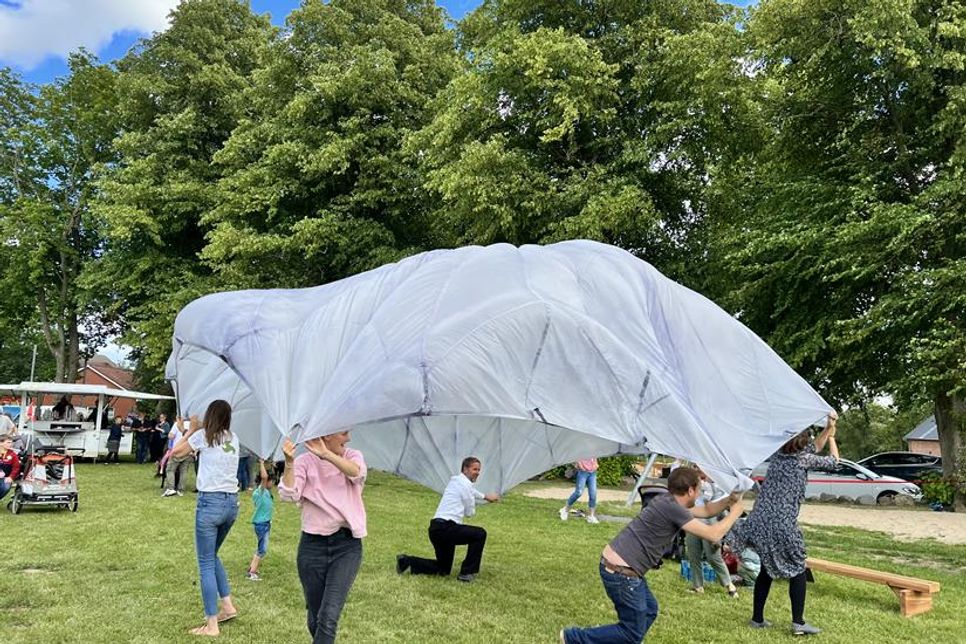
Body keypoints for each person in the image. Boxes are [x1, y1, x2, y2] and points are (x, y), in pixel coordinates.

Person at [560, 466, 744, 644]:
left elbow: (706, 511)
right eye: (699, 486)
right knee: (631, 632)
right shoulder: (674, 509)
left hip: (620, 567)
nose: (701, 490)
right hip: (621, 573)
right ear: (689, 491)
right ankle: (573, 638)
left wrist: (729, 501)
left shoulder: (668, 501)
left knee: (649, 610)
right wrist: (736, 512)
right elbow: (713, 534)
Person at [727, 412, 839, 636]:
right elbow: (834, 462)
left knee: (768, 566)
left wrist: (828, 428)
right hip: (781, 523)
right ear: (803, 442)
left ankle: (757, 619)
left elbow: (815, 447)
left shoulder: (779, 454)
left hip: (759, 519)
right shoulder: (802, 458)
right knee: (798, 567)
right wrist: (833, 437)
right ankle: (799, 623)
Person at [279, 431, 367, 644]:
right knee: (316, 617)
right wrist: (289, 463)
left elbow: (357, 473)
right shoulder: (304, 462)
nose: (349, 438)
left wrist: (326, 454)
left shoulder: (352, 456)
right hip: (312, 547)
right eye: (344, 433)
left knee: (328, 617)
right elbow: (288, 493)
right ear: (327, 435)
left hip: (346, 547)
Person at [170, 401, 240, 637]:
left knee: (206, 563)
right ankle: (228, 606)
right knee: (212, 556)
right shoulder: (233, 438)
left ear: (210, 416)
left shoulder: (203, 436)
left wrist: (190, 429)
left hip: (210, 504)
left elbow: (176, 452)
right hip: (231, 503)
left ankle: (211, 625)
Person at [396, 457, 501, 582]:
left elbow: (472, 491)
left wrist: (485, 497)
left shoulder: (455, 481)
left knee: (443, 569)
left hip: (436, 529)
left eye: (479, 470)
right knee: (479, 534)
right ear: (465, 469)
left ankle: (406, 561)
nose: (477, 472)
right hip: (446, 528)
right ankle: (466, 573)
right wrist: (476, 501)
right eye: (475, 469)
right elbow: (469, 513)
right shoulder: (466, 486)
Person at [684, 466, 739, 597]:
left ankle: (730, 586)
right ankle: (698, 586)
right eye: (695, 467)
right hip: (694, 522)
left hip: (710, 524)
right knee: (693, 555)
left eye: (699, 468)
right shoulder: (697, 484)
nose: (696, 470)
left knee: (713, 557)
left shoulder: (719, 486)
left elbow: (715, 504)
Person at [247, 460, 275, 581]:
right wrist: (261, 463)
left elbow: (266, 476)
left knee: (261, 547)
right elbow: (264, 476)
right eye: (272, 481)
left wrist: (270, 465)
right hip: (261, 525)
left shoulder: (267, 492)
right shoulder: (260, 492)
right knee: (262, 549)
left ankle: (252, 567)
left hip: (265, 524)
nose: (273, 483)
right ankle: (252, 572)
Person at [559, 457, 600, 524]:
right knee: (579, 492)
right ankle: (565, 510)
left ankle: (591, 516)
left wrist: (595, 465)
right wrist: (581, 466)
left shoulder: (593, 448)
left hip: (592, 473)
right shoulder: (581, 448)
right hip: (582, 472)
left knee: (593, 494)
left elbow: (594, 458)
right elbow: (577, 457)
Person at [162, 417, 187, 496]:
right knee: (183, 471)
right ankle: (181, 489)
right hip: (188, 450)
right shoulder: (190, 424)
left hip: (177, 449)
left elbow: (171, 436)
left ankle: (171, 488)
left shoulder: (177, 424)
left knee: (170, 469)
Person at [0, 434, 22, 500]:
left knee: (6, 487)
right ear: (1, 443)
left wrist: (11, 477)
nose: (10, 444)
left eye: (11, 442)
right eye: (8, 442)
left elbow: (16, 468)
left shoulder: (13, 454)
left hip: (5, 478)